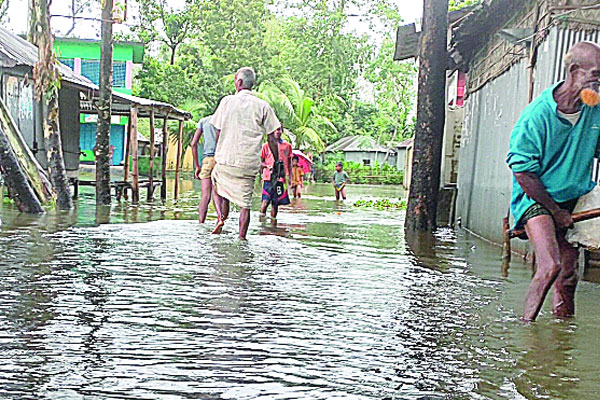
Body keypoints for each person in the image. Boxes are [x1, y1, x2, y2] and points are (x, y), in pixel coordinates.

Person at [506, 41, 600, 322]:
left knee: (568, 276)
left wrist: (566, 210)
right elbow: (523, 172)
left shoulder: (594, 108)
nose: (599, 83)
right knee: (550, 266)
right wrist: (556, 211)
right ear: (574, 71)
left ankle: (563, 331)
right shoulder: (538, 115)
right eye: (595, 75)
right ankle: (525, 327)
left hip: (573, 195)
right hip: (536, 198)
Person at [210, 67, 281, 239]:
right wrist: (276, 161)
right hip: (248, 163)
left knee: (216, 183)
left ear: (239, 83)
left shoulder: (226, 101)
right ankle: (242, 238)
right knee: (245, 205)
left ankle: (221, 217)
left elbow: (218, 131)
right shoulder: (263, 106)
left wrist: (219, 150)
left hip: (226, 159)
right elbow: (272, 138)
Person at [191, 101, 220, 223]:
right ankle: (220, 218)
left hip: (207, 160)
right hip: (220, 159)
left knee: (205, 195)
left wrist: (197, 166)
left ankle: (201, 223)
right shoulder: (224, 122)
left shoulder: (204, 121)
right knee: (218, 194)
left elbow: (193, 144)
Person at [260, 125, 292, 218]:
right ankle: (262, 222)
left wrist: (290, 178)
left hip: (280, 178)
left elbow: (289, 163)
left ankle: (273, 225)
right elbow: (260, 161)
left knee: (275, 203)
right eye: (276, 130)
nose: (278, 132)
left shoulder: (287, 146)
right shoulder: (266, 146)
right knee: (265, 202)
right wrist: (267, 166)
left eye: (280, 130)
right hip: (268, 178)